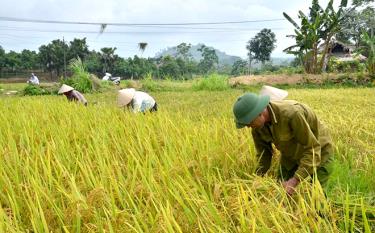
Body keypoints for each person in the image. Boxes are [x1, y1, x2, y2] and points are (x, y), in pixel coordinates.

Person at [233, 92, 333, 195]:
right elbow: (264, 155)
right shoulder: (257, 128)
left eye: (249, 122)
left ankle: (320, 210)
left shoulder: (292, 114)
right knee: (280, 189)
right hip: (290, 153)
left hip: (318, 150)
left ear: (259, 113)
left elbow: (312, 148)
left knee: (316, 195)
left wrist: (295, 180)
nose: (248, 126)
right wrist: (257, 179)